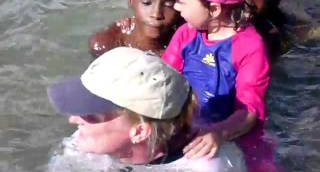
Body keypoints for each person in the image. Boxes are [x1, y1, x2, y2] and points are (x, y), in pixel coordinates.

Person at [47, 47, 247, 171]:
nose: (73, 119)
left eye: (90, 114)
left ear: (140, 131)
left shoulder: (207, 167)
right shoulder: (83, 142)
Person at [161, 0, 281, 171]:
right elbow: (162, 78)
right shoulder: (186, 33)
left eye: (182, 1)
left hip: (232, 132)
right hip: (187, 122)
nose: (175, 7)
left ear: (214, 9)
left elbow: (250, 110)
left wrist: (219, 132)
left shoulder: (250, 47)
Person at [89, 0, 184, 57]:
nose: (156, 14)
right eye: (146, 2)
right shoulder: (107, 42)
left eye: (168, 4)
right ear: (131, 0)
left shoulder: (188, 41)